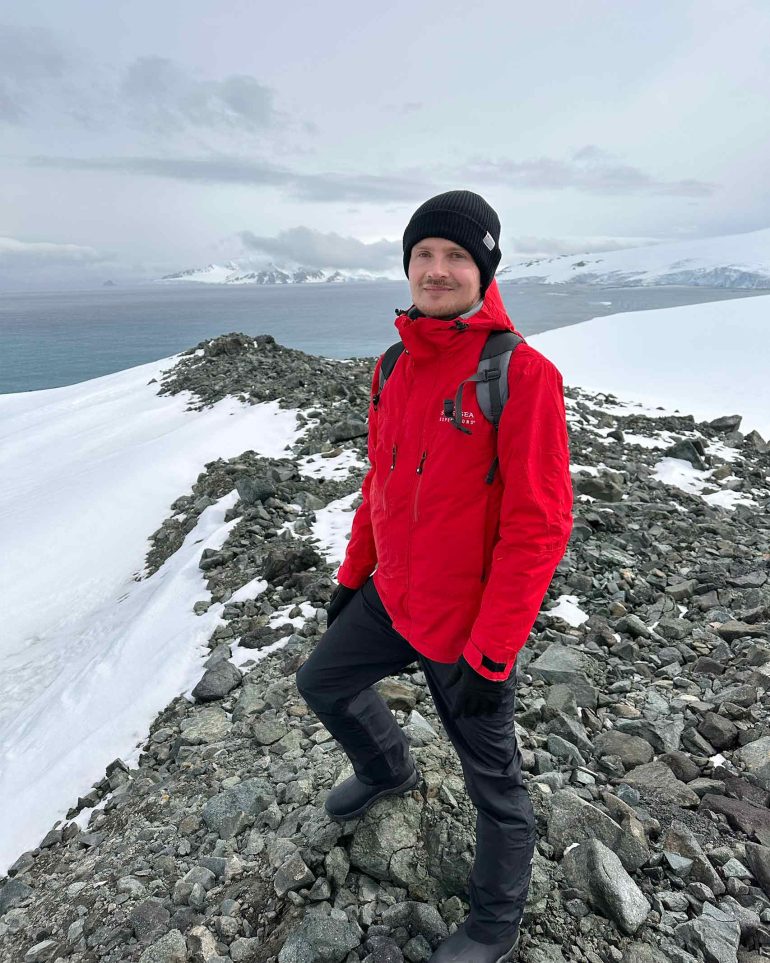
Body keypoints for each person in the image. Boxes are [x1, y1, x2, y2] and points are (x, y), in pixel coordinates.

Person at [296, 190, 573, 962]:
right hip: (393, 598)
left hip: (466, 628)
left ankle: (494, 921)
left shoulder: (521, 374)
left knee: (497, 789)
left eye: (456, 256)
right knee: (319, 681)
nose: (437, 269)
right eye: (424, 254)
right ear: (407, 265)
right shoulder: (393, 365)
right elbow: (378, 483)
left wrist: (493, 653)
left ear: (484, 270)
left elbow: (538, 525)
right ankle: (387, 767)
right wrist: (354, 577)